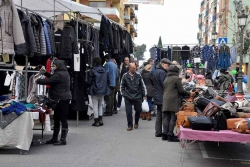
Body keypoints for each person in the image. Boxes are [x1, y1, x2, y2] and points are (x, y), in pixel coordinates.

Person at [36, 60, 72, 146]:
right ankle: (55, 138)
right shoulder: (64, 73)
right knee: (57, 118)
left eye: (54, 66)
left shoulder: (59, 74)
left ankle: (62, 139)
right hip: (63, 98)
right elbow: (53, 78)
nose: (53, 67)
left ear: (58, 66)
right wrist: (46, 73)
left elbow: (49, 81)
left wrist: (37, 80)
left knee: (62, 118)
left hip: (61, 98)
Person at [162, 65, 193, 142]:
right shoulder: (177, 79)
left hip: (166, 99)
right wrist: (189, 93)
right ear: (176, 71)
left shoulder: (166, 78)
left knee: (166, 117)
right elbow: (181, 91)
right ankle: (170, 135)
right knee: (173, 117)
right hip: (174, 100)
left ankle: (165, 135)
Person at [120, 63, 147, 131]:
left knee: (138, 110)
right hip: (128, 96)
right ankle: (129, 125)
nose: (135, 69)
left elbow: (142, 85)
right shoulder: (125, 76)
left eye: (135, 68)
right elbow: (122, 86)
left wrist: (144, 95)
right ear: (129, 68)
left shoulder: (138, 75)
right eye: (133, 68)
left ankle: (136, 122)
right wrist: (123, 94)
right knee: (128, 112)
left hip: (137, 96)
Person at [87, 57, 109, 127]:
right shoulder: (105, 70)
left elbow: (90, 81)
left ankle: (96, 121)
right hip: (103, 90)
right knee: (100, 105)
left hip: (95, 90)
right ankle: (101, 120)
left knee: (95, 106)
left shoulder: (92, 70)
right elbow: (107, 80)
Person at [153, 58, 172, 137]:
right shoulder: (162, 72)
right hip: (162, 96)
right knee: (165, 115)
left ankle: (158, 131)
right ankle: (165, 132)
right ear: (163, 64)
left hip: (157, 95)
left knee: (159, 115)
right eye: (168, 65)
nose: (168, 67)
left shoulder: (156, 71)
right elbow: (164, 84)